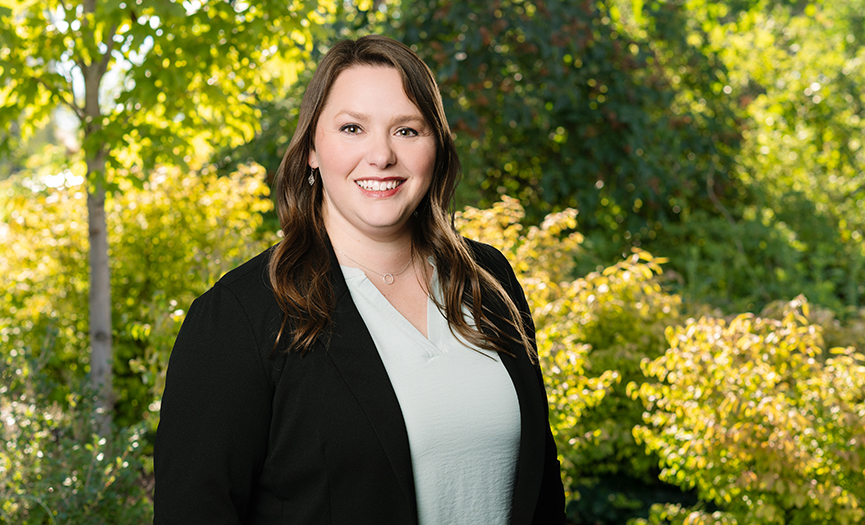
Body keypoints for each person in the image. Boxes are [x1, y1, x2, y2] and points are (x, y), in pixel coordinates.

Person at [153, 35, 566, 524]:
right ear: (311, 148)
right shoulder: (239, 316)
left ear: (436, 145)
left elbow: (543, 494)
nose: (381, 156)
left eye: (407, 131)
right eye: (352, 128)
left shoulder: (487, 279)